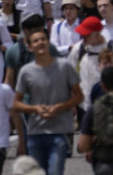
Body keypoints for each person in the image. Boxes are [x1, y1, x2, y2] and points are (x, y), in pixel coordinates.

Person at [13, 27, 84, 175]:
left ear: (48, 43)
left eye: (43, 39)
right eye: (35, 41)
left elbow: (79, 96)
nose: (40, 43)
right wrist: (36, 109)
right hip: (35, 133)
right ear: (30, 47)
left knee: (55, 172)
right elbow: (16, 103)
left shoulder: (64, 67)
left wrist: (60, 107)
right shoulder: (26, 71)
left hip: (59, 132)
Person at [68, 16, 113, 110]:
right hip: (84, 105)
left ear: (97, 34)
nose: (83, 38)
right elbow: (71, 77)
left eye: (86, 35)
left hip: (110, 105)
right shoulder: (78, 49)